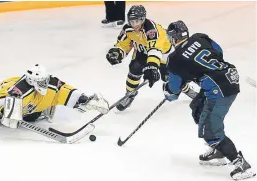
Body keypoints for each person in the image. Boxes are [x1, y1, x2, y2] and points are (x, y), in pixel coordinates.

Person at [163, 20, 255, 180]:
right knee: (198, 109)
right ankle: (219, 151)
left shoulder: (174, 58)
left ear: (172, 37)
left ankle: (240, 164)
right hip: (228, 75)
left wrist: (169, 89)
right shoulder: (200, 37)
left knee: (210, 130)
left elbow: (174, 91)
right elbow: (218, 52)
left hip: (219, 90)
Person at [0, 64, 109, 128]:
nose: (46, 83)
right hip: (2, 95)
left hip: (29, 106)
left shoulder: (50, 82)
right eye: (41, 81)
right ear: (33, 81)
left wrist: (87, 101)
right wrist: (9, 115)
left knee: (33, 115)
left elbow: (68, 91)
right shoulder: (17, 92)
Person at [105, 5, 196, 112]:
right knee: (134, 71)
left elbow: (155, 50)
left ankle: (187, 89)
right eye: (132, 22)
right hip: (142, 52)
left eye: (137, 21)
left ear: (143, 19)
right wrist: (118, 52)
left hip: (163, 54)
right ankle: (129, 95)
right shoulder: (127, 29)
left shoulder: (151, 30)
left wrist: (152, 66)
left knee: (169, 78)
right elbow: (124, 44)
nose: (135, 25)